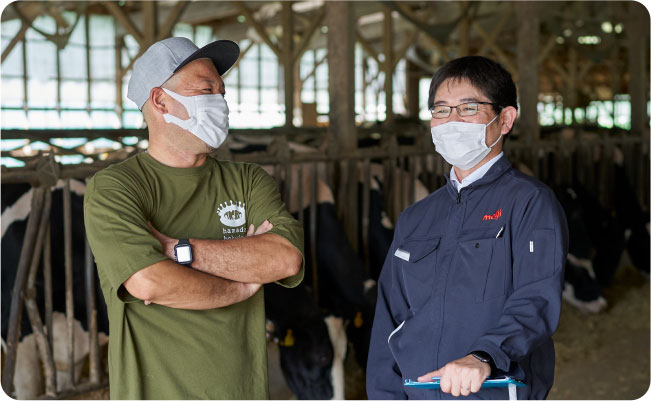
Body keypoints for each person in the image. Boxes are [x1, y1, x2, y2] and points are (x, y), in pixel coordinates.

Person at [84, 37, 304, 399]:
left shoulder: (248, 180)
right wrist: (241, 286)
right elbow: (149, 283)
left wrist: (178, 250)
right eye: (206, 90)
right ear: (160, 101)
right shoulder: (115, 187)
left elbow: (285, 258)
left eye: (221, 92)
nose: (219, 102)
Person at [366, 56, 568, 400]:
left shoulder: (530, 203)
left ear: (505, 119)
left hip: (493, 390)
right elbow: (389, 318)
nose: (451, 121)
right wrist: (384, 393)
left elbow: (536, 299)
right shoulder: (416, 217)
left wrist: (485, 355)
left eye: (467, 108)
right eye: (441, 110)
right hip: (419, 393)